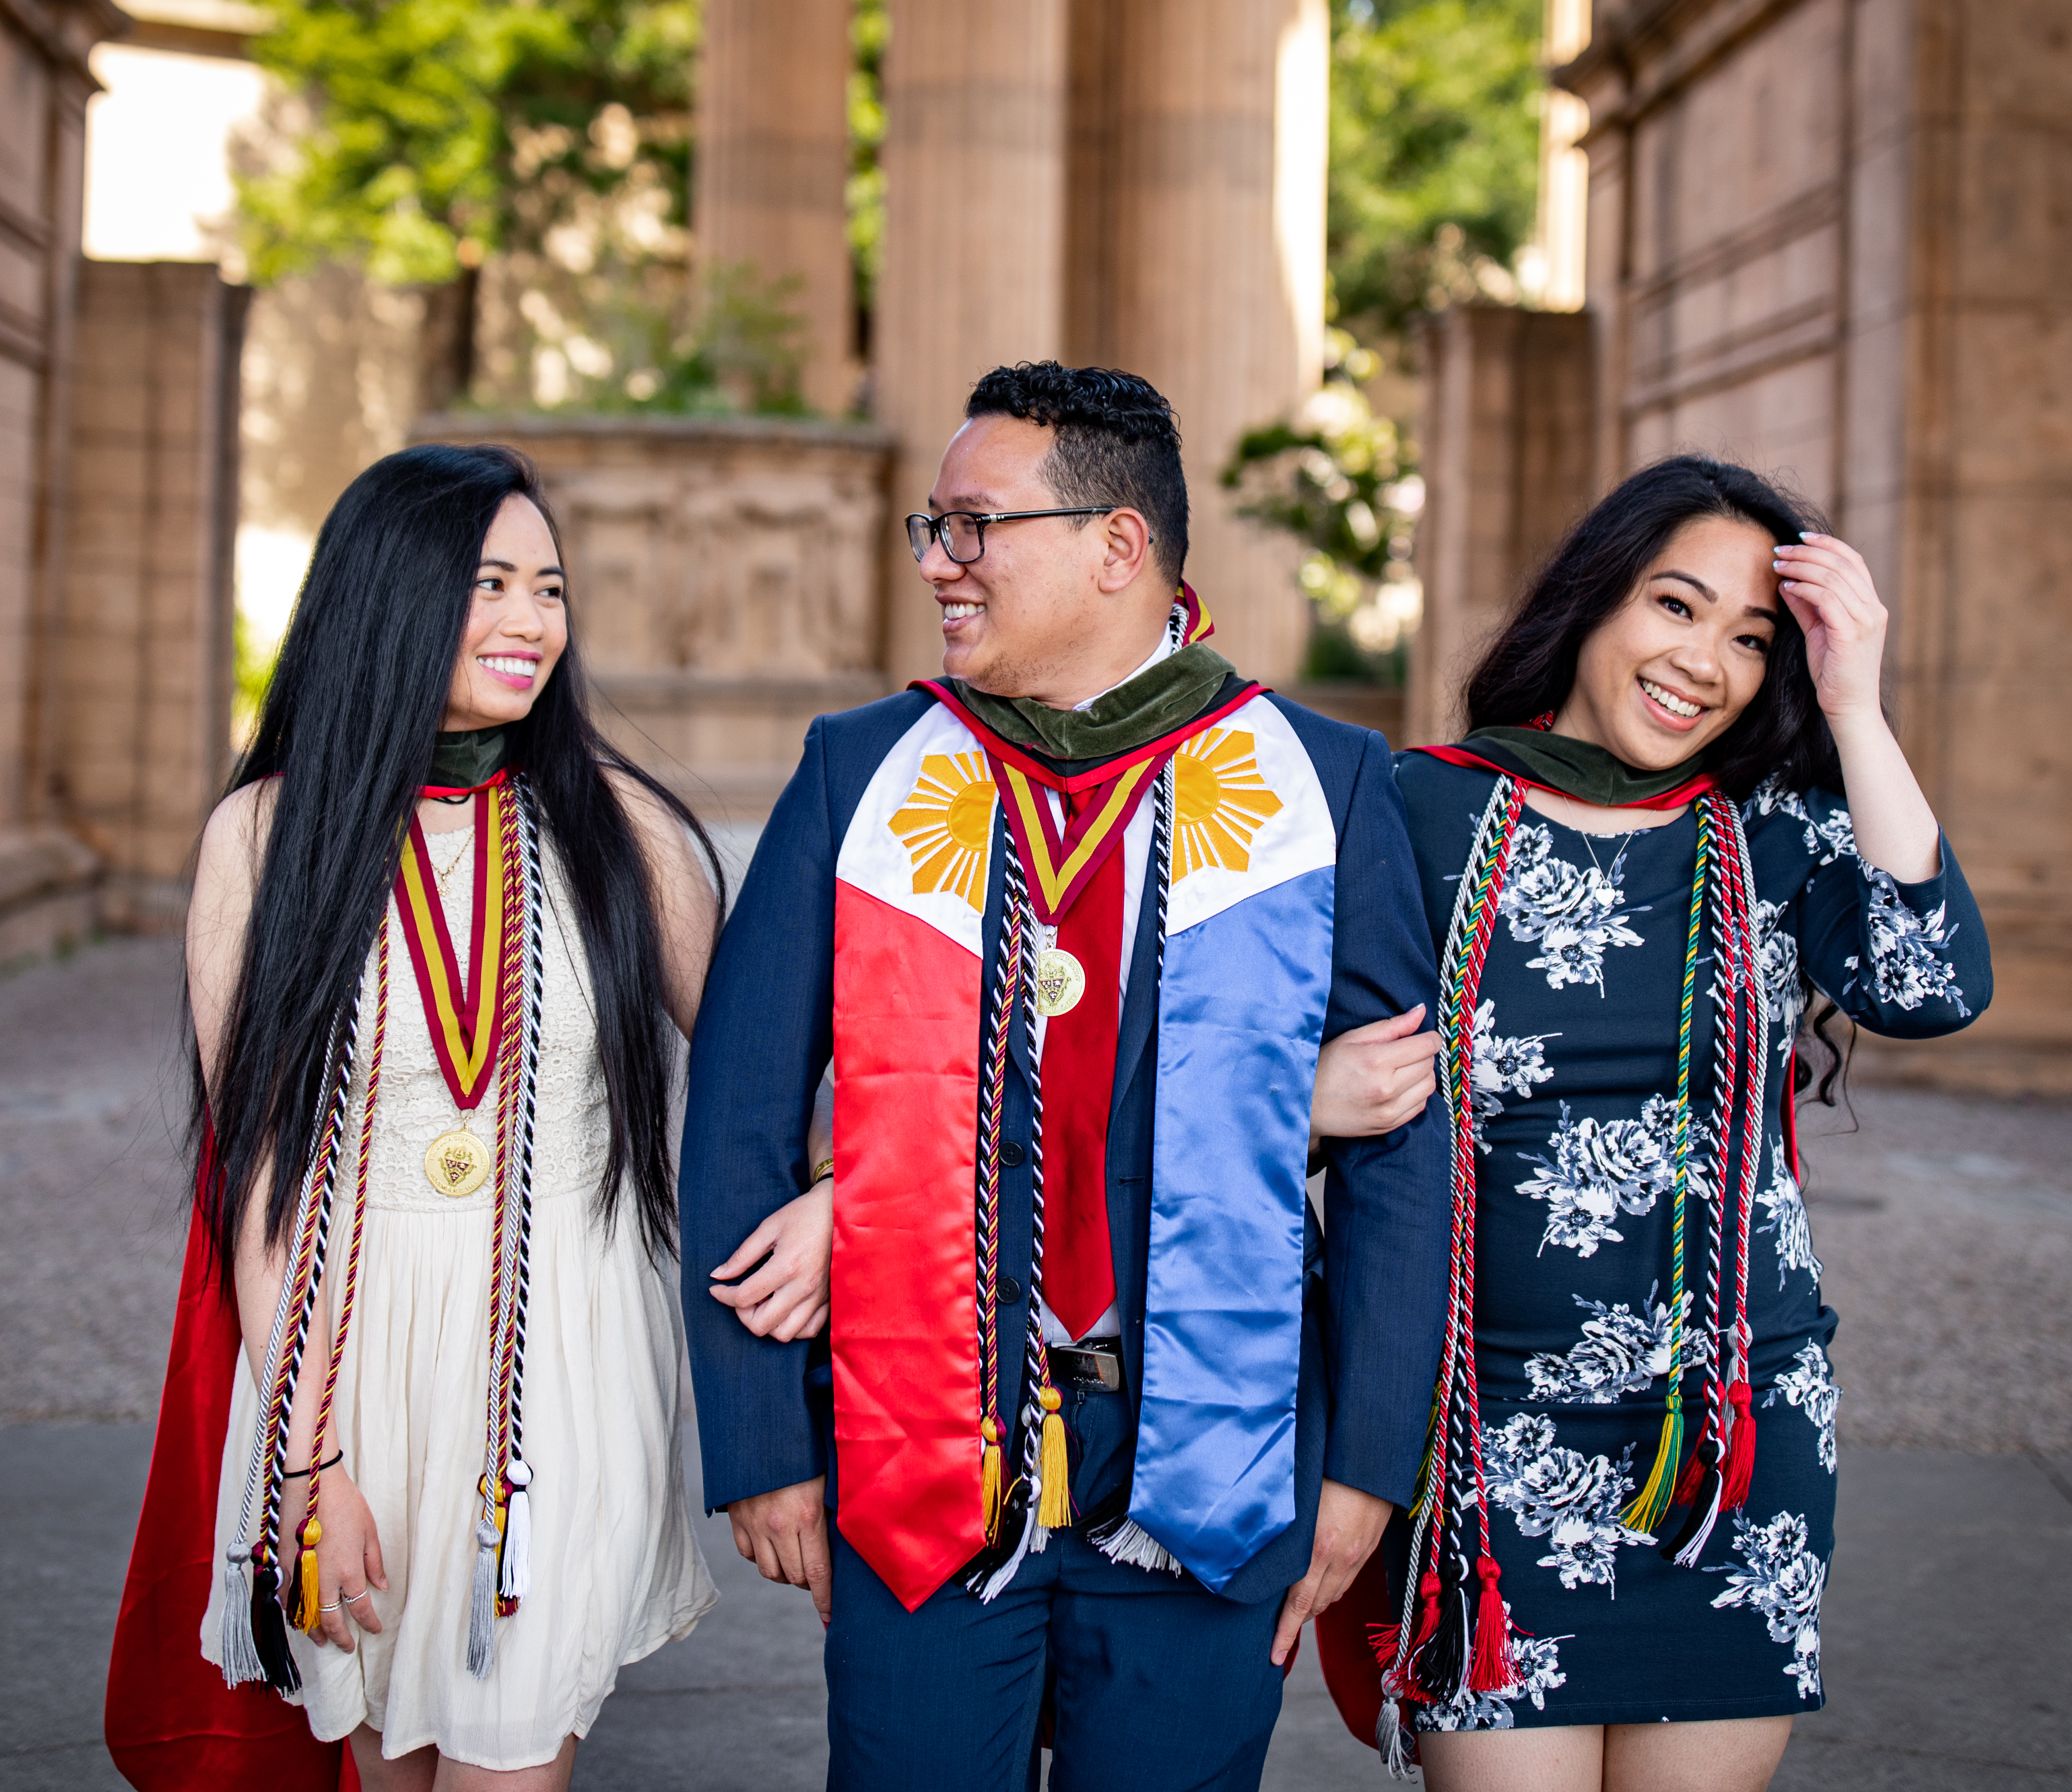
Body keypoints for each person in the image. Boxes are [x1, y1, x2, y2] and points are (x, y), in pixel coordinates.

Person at [677, 362, 1451, 1791]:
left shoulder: (1317, 784)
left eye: (976, 527)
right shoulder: (867, 772)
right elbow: (734, 1118)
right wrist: (757, 1437)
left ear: (1118, 545)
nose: (937, 562)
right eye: (935, 526)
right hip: (920, 1449)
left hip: (1221, 1458)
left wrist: (1366, 1475)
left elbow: (1408, 1154)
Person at [105, 444, 828, 1790]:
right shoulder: (266, 837)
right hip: (351, 1355)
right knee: (387, 1765)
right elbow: (261, 1170)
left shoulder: (625, 829)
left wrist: (841, 1191)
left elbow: (774, 1077)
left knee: (510, 1758)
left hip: (563, 1346)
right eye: (490, 583)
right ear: (392, 596)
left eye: (548, 587)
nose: (530, 620)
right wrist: (306, 1453)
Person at [1311, 456, 1992, 1789]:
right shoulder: (1412, 808)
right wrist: (1313, 1104)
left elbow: (1933, 983)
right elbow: (1244, 1074)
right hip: (1488, 1440)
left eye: (1752, 638)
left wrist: (1852, 698)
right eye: (1676, 606)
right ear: (1593, 602)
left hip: (1736, 1435)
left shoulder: (1772, 828)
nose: (1708, 662)